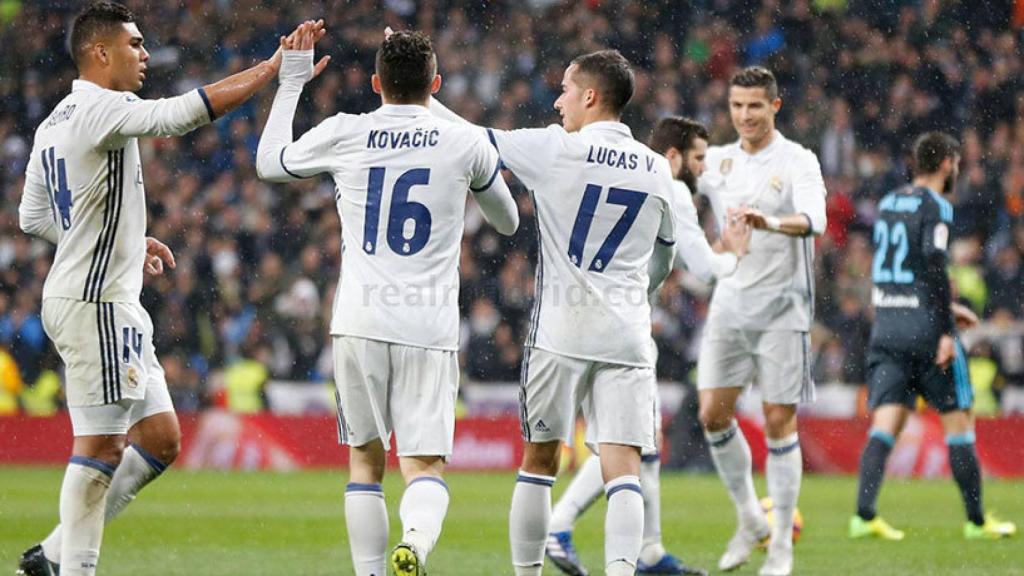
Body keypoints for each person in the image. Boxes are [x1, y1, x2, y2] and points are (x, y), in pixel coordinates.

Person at [431, 51, 747, 576]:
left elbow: (472, 137)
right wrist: (637, 293)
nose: (558, 99)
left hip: (559, 331)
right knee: (623, 469)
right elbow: (665, 255)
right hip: (626, 334)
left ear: (591, 96)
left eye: (565, 88)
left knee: (539, 465)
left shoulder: (558, 149)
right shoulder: (654, 167)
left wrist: (420, 99)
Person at [15, 2, 295, 575]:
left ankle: (50, 556)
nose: (144, 54)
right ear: (100, 53)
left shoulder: (55, 121)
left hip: (100, 299)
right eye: (134, 44)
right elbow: (181, 115)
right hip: (95, 306)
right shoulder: (104, 107)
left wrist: (121, 240)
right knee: (99, 448)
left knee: (161, 440)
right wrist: (269, 70)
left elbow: (32, 217)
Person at [255, 25, 518, 576]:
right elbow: (508, 220)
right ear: (437, 83)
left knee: (364, 463)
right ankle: (416, 543)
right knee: (424, 466)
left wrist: (292, 82)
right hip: (428, 325)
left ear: (375, 83)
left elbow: (270, 163)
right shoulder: (462, 140)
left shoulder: (347, 131)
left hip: (359, 319)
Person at [545, 116, 743, 576]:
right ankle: (559, 525)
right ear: (673, 156)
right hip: (624, 333)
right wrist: (732, 249)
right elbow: (705, 269)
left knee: (642, 446)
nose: (701, 169)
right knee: (628, 445)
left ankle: (648, 552)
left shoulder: (620, 175)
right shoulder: (669, 188)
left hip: (578, 319)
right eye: (697, 159)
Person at [850, 131, 1017, 541]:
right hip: (925, 330)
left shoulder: (888, 202)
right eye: (955, 163)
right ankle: (977, 522)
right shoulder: (936, 205)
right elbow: (932, 264)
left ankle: (864, 516)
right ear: (946, 163)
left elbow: (896, 265)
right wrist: (944, 326)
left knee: (885, 422)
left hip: (887, 327)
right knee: (959, 424)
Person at [695, 66, 827, 576]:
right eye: (736, 106)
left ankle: (780, 550)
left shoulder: (798, 160)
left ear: (775, 106)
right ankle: (751, 517)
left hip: (782, 310)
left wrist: (766, 221)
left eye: (754, 106)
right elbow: (683, 194)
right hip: (731, 303)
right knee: (712, 415)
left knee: (777, 420)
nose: (745, 115)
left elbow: (813, 219)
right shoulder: (719, 162)